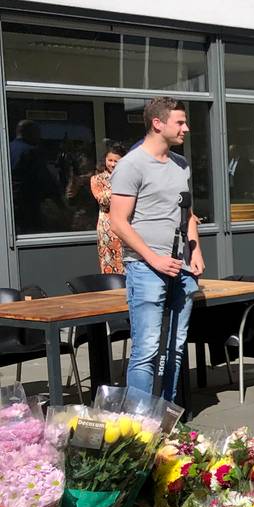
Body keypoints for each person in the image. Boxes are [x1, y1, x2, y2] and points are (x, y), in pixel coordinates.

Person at [109, 97, 205, 403]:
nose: (186, 128)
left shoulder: (181, 165)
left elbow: (187, 213)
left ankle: (167, 417)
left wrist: (196, 250)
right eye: (180, 122)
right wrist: (154, 258)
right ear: (157, 123)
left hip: (182, 267)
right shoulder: (130, 165)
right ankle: (138, 429)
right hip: (145, 267)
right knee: (147, 349)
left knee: (176, 347)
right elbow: (118, 222)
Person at [91, 141, 129, 274]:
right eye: (110, 160)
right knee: (109, 263)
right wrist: (119, 184)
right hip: (108, 228)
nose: (112, 164)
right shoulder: (97, 179)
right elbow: (103, 200)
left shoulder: (130, 178)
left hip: (128, 225)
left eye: (116, 161)